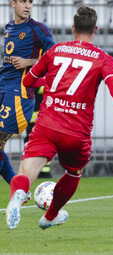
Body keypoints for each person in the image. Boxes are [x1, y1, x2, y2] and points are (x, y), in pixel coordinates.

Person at [5, 5, 113, 230]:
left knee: (26, 171)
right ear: (96, 30)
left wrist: (50, 85)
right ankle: (50, 216)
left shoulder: (55, 51)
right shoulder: (103, 59)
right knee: (74, 172)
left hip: (47, 123)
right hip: (76, 131)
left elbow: (28, 81)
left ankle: (18, 194)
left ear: (73, 28)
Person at [0, 0, 55, 185]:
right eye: (23, 1)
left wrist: (29, 62)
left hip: (19, 94)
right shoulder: (8, 27)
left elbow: (55, 58)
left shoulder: (39, 29)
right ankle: (19, 189)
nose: (28, 5)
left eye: (31, 2)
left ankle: (19, 189)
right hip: (3, 90)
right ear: (13, 3)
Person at [24, 86, 52, 178]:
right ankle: (42, 171)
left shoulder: (35, 76)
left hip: (37, 117)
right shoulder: (49, 78)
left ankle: (42, 171)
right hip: (40, 118)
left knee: (36, 144)